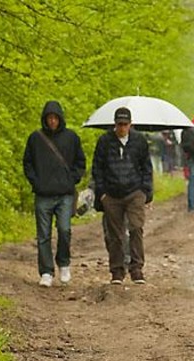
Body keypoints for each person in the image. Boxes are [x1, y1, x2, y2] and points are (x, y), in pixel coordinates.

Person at [22, 100, 86, 287]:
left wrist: (72, 179)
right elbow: (27, 163)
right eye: (49, 118)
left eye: (55, 118)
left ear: (60, 119)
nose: (52, 121)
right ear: (45, 119)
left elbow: (80, 162)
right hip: (43, 194)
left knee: (65, 230)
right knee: (43, 235)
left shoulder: (71, 138)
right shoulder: (35, 139)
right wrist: (36, 181)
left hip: (65, 194)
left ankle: (64, 263)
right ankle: (46, 271)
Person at [92, 107, 154, 285]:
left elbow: (146, 167)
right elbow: (97, 167)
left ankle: (137, 269)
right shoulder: (104, 141)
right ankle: (117, 271)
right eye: (119, 124)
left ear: (130, 124)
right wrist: (101, 193)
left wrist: (146, 191)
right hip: (111, 193)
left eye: (125, 124)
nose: (122, 128)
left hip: (135, 191)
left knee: (136, 228)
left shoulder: (139, 141)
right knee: (115, 234)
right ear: (114, 124)